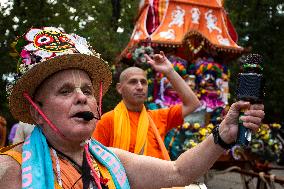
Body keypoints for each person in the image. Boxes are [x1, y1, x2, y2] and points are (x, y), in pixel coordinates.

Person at [0, 27, 264, 189]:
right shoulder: (11, 170)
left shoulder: (109, 160)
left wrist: (224, 135)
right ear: (37, 112)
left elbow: (179, 171)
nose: (81, 97)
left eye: (88, 90)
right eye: (65, 91)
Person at [93, 52, 201, 160]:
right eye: (133, 82)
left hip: (160, 176)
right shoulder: (107, 120)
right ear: (119, 88)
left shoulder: (158, 117)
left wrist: (170, 71)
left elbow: (193, 104)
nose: (140, 87)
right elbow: (94, 159)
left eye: (143, 82)